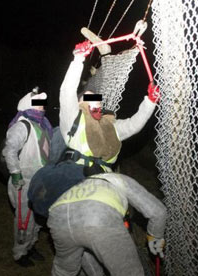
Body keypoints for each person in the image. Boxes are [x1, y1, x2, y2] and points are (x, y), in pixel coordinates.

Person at [28, 39, 161, 218]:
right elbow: (67, 91)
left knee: (154, 211)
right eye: (88, 98)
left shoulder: (111, 126)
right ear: (79, 103)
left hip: (107, 178)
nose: (94, 100)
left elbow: (134, 124)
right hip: (76, 177)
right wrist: (78, 59)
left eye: (96, 99)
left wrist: (150, 102)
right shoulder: (73, 120)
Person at [47, 173, 167, 276]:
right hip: (99, 218)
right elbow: (158, 212)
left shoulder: (83, 183)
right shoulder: (118, 179)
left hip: (58, 216)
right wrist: (154, 236)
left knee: (65, 270)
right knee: (129, 272)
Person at [2, 89, 53, 267]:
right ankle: (19, 253)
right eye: (38, 102)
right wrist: (15, 173)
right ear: (28, 105)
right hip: (23, 181)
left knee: (37, 218)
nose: (42, 106)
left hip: (40, 180)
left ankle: (30, 246)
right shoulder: (22, 125)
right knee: (24, 219)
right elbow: (9, 150)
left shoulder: (43, 125)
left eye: (42, 102)